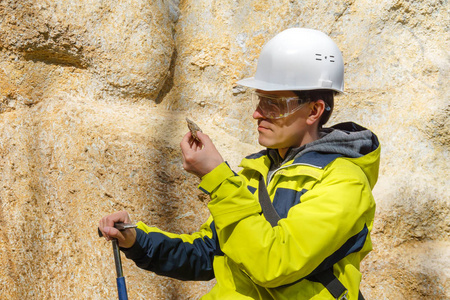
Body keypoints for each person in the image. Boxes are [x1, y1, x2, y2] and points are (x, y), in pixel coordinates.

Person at [99, 28, 380, 300]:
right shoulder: (256, 172)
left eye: (274, 103)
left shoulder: (344, 183)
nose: (258, 113)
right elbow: (209, 252)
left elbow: (274, 263)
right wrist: (136, 239)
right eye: (259, 99)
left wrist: (218, 178)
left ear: (314, 110)